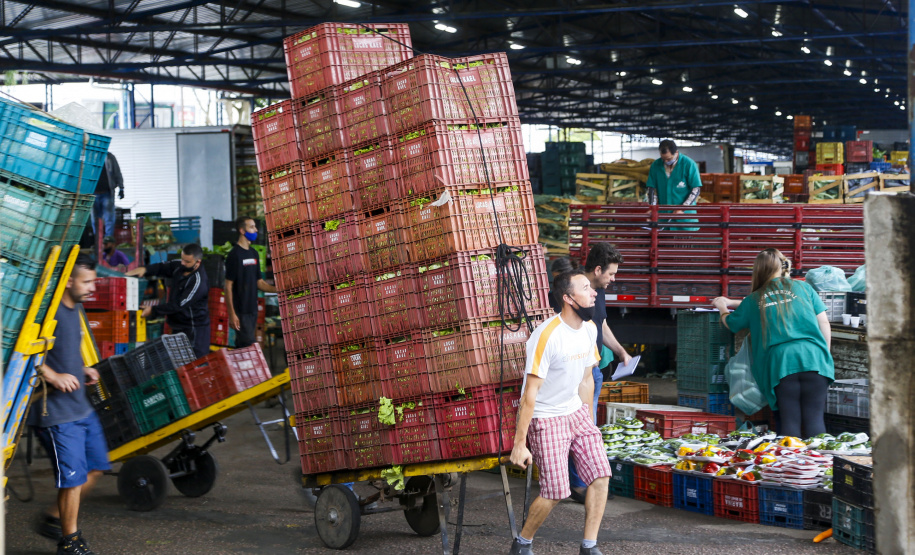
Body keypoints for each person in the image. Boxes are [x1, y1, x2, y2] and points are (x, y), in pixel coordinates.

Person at [509, 270, 612, 555]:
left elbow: (587, 378)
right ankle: (523, 542)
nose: (593, 292)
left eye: (592, 287)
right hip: (545, 416)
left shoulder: (590, 329)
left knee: (601, 475)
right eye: (586, 288)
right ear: (568, 298)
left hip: (575, 411)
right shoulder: (547, 336)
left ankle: (589, 546)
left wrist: (588, 425)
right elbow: (529, 395)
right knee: (556, 491)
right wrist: (520, 444)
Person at [29, 254, 109, 555]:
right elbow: (25, 350)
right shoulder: (49, 313)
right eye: (87, 282)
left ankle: (52, 517)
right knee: (72, 480)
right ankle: (70, 541)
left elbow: (67, 351)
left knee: (98, 467)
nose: (92, 288)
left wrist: (81, 370)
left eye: (94, 281)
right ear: (70, 281)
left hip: (81, 407)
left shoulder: (76, 309)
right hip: (56, 412)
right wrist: (52, 375)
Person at [711, 248, 835, 438]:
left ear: (758, 270)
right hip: (815, 358)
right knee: (815, 420)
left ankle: (788, 466)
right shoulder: (804, 288)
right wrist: (824, 354)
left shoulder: (755, 299)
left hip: (781, 363)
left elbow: (732, 323)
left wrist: (722, 307)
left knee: (789, 421)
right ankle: (819, 466)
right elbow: (823, 322)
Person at [568, 243, 632, 503]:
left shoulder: (598, 291)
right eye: (611, 274)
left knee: (588, 429)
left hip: (592, 371)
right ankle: (580, 486)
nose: (613, 279)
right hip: (577, 373)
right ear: (597, 270)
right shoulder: (574, 290)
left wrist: (620, 352)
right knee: (584, 430)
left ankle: (582, 483)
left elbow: (601, 324)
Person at [126, 244, 210, 359]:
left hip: (194, 330)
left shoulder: (198, 282)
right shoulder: (180, 266)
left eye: (187, 262)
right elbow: (162, 267)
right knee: (178, 363)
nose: (183, 263)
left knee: (195, 364)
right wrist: (145, 269)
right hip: (178, 325)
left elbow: (178, 305)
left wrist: (153, 310)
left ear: (198, 262)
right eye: (182, 259)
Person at [225, 217, 276, 349]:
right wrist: (232, 314)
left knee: (243, 346)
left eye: (255, 227)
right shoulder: (234, 255)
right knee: (248, 345)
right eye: (252, 227)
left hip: (252, 309)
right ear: (242, 230)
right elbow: (228, 286)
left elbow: (260, 283)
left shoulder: (254, 253)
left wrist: (279, 289)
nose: (256, 230)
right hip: (240, 311)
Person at [91, 153, 124, 238]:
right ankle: (98, 241)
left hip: (107, 193)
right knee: (95, 220)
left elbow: (117, 172)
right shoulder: (89, 156)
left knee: (109, 218)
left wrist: (121, 188)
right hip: (93, 194)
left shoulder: (110, 157)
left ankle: (108, 240)